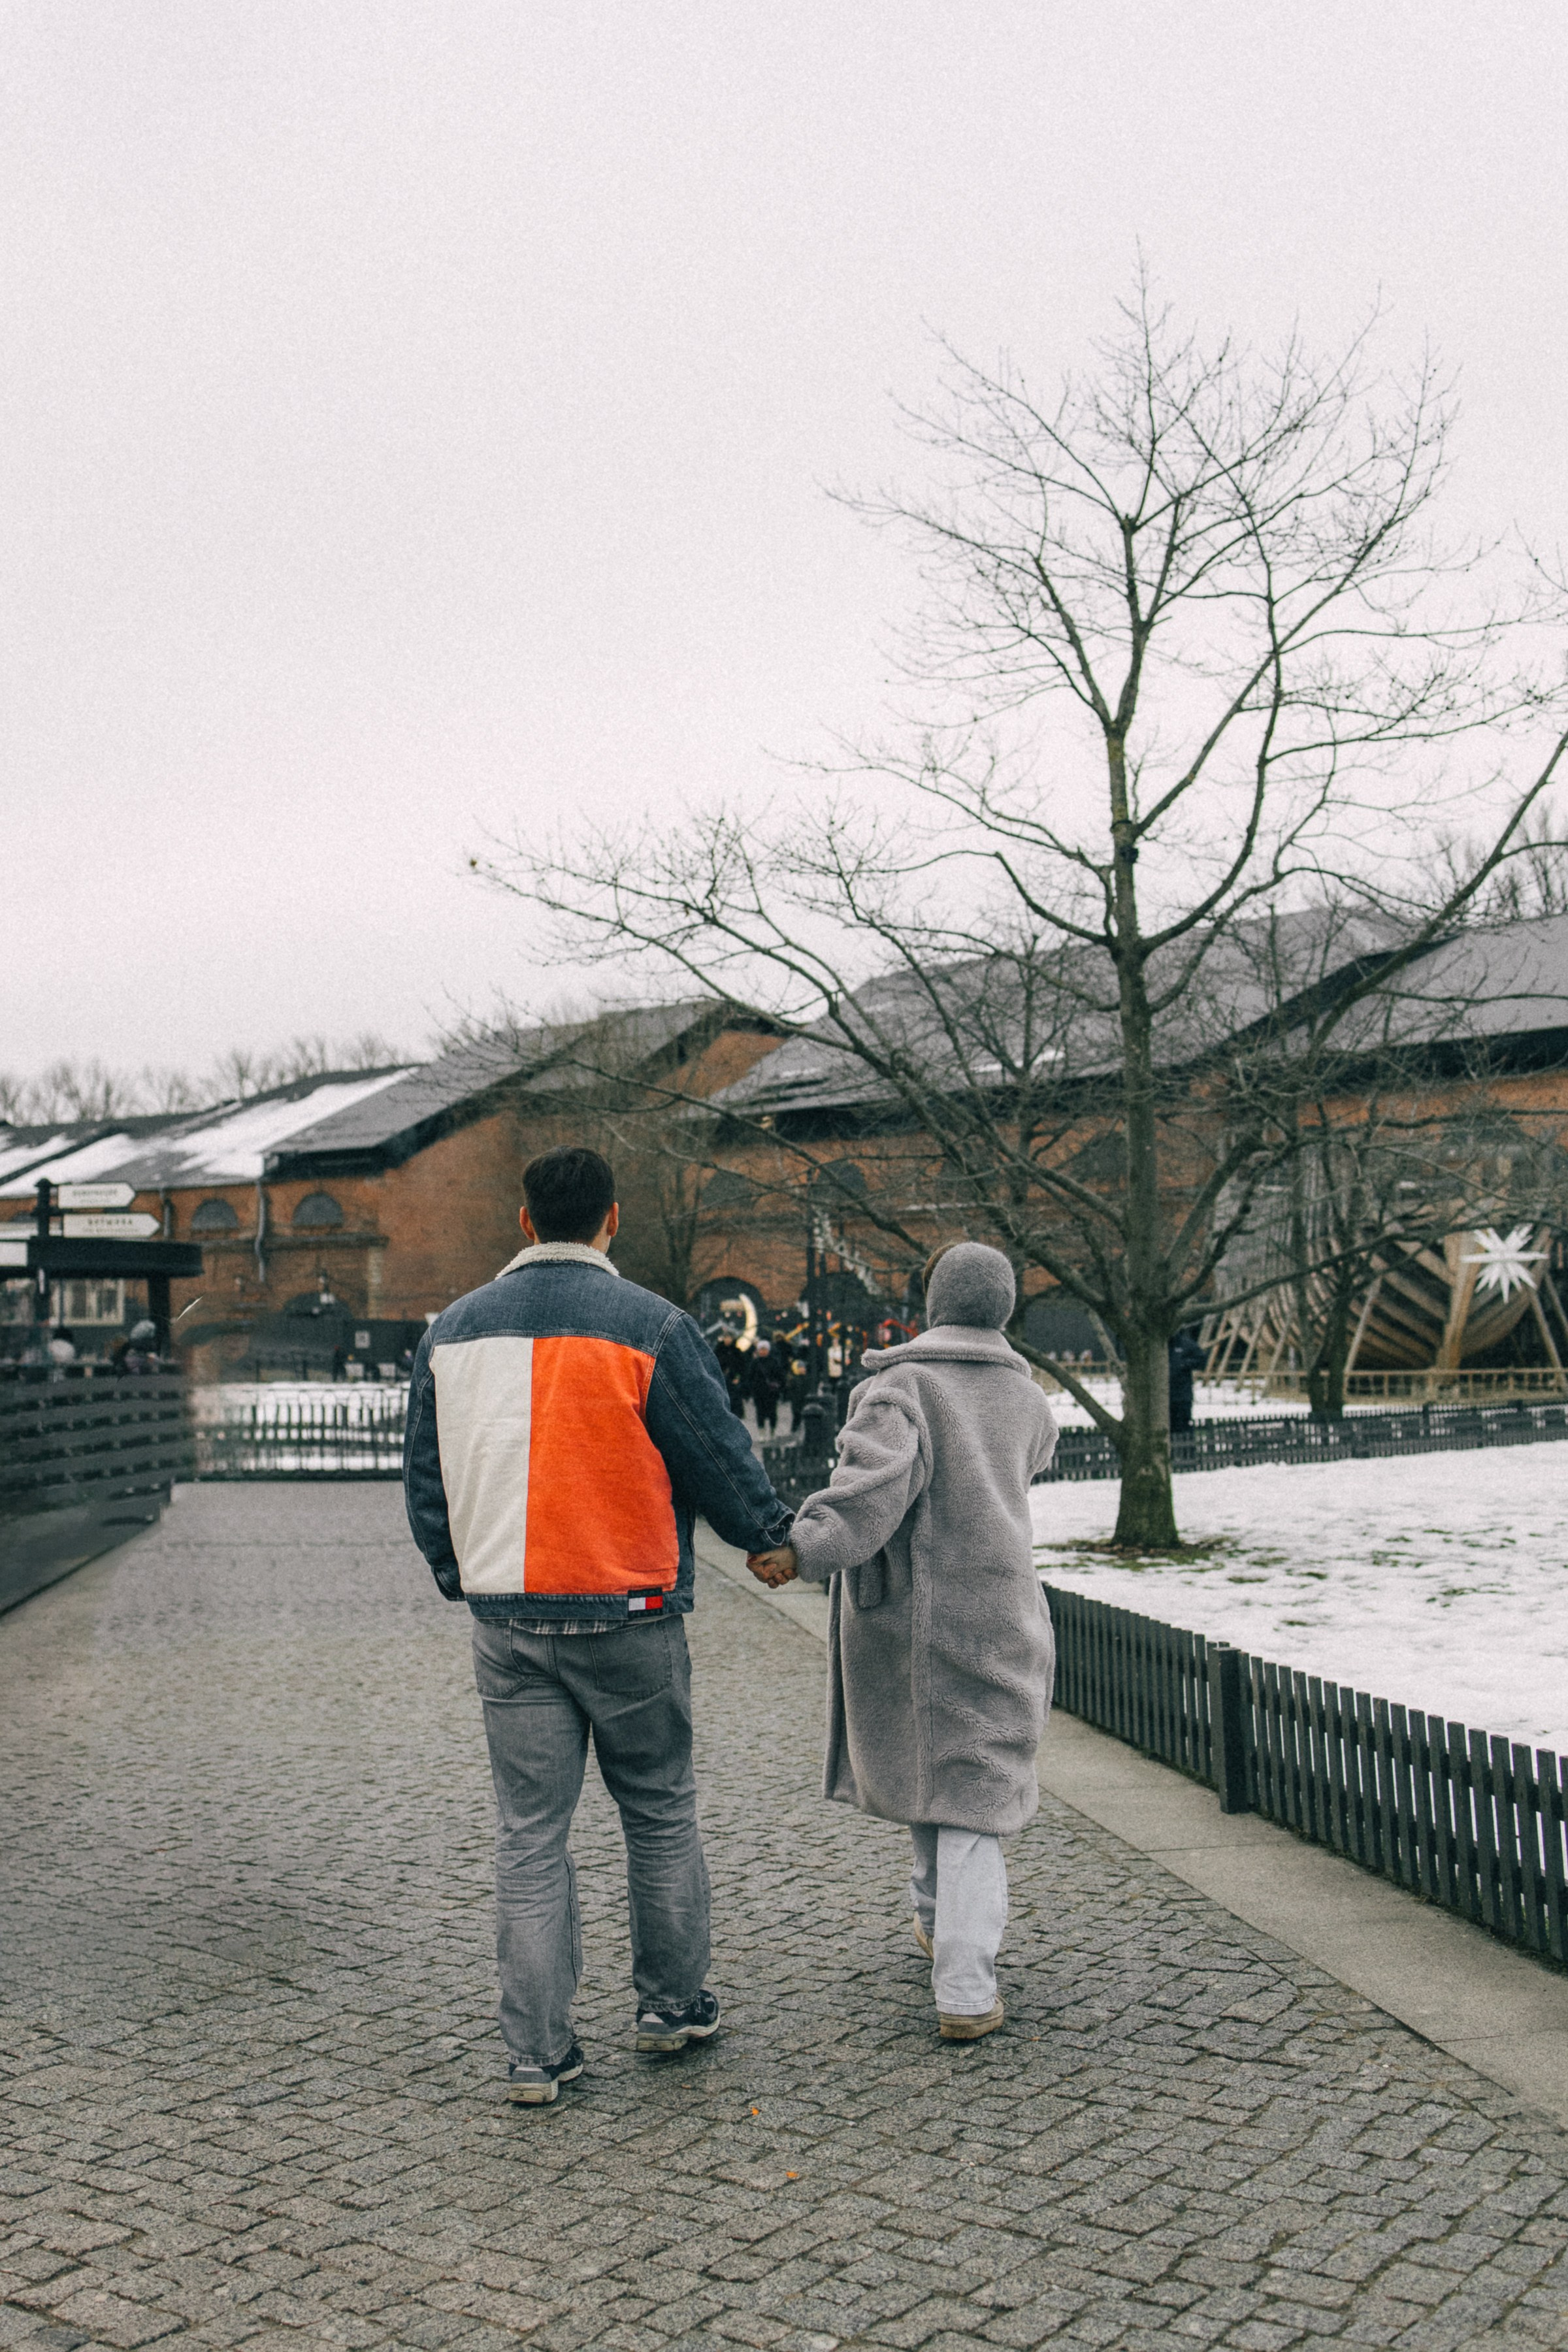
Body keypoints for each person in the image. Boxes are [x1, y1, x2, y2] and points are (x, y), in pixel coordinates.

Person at [404, 1145, 792, 2106]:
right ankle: (671, 2006)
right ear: (611, 1220)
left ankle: (537, 2053)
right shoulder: (653, 1325)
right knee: (659, 1812)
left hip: (510, 1613)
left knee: (530, 1834)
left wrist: (462, 1574)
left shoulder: (450, 1333)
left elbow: (424, 1478)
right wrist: (766, 1537)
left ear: (526, 1221)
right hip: (631, 1608)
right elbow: (715, 1450)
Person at [747, 1240, 1058, 2042]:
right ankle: (951, 1956)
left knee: (950, 1786)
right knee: (971, 1790)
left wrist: (802, 1547)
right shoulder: (1030, 1401)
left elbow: (868, 1495)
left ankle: (958, 1975)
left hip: (919, 1622)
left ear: (935, 1303)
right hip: (1003, 1615)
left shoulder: (903, 1389)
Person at [1168, 1327, 1205, 1435]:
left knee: (1183, 1428)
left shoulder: (1185, 1344)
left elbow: (1202, 1361)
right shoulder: (1158, 1345)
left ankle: (1186, 1450)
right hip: (1162, 1397)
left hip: (1182, 1397)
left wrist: (1184, 1364)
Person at [748, 1338, 785, 1435]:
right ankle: (762, 1432)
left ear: (768, 1350)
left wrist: (779, 1388)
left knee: (773, 1413)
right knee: (760, 1413)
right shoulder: (755, 1363)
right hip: (759, 1392)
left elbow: (780, 1376)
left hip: (772, 1392)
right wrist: (752, 1390)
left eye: (765, 1349)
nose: (763, 1351)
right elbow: (750, 1377)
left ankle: (772, 1430)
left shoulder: (774, 1362)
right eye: (761, 1349)